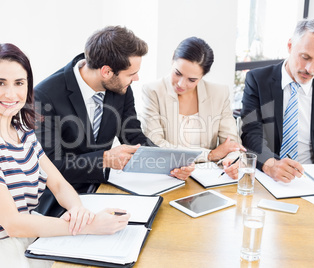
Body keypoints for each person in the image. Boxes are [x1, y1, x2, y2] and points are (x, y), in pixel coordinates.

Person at [0, 43, 131, 268]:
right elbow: (13, 224)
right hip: (1, 250)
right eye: (0, 83)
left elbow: (57, 183)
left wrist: (78, 210)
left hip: (29, 234)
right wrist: (90, 225)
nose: (11, 94)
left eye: (19, 83)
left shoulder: (22, 131)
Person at [34, 26, 194, 216]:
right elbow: (50, 165)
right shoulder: (44, 96)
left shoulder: (121, 87)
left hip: (107, 190)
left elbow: (133, 136)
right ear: (106, 72)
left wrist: (170, 163)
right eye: (131, 73)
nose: (136, 78)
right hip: (62, 200)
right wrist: (105, 158)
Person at [241, 18, 314, 183]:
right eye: (305, 57)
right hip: (269, 175)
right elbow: (251, 133)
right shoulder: (258, 80)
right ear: (290, 46)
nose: (310, 69)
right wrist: (271, 165)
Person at [141, 37, 245, 179]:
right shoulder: (153, 91)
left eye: (192, 80)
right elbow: (156, 145)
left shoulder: (218, 94)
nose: (181, 84)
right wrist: (210, 154)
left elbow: (232, 145)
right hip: (167, 177)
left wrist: (232, 161)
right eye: (177, 73)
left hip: (207, 179)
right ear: (172, 59)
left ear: (202, 76)